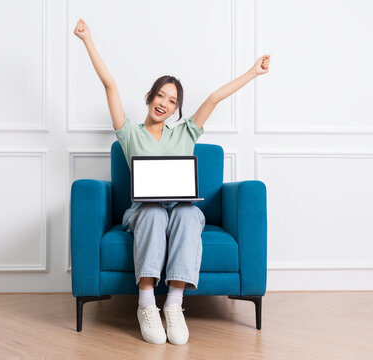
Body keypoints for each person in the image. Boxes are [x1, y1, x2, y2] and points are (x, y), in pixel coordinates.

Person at [74, 18, 270, 345]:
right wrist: (87, 40)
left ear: (176, 109)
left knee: (190, 214)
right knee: (152, 213)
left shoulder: (185, 133)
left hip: (179, 205)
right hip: (144, 209)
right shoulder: (130, 134)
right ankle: (147, 305)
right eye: (161, 96)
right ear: (150, 96)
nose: (164, 103)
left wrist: (253, 72)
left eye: (172, 101)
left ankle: (175, 305)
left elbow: (214, 97)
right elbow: (110, 85)